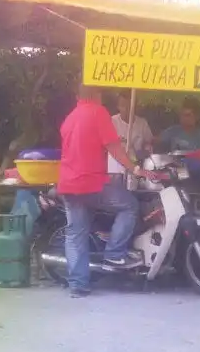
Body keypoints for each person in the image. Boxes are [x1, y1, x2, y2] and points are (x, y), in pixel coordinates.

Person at [58, 84, 155, 298]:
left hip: (67, 184)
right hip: (90, 183)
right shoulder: (98, 113)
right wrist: (136, 169)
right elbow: (114, 148)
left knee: (75, 234)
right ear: (96, 94)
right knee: (129, 205)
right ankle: (114, 253)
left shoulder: (70, 117)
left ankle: (78, 286)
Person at [108, 90, 154, 184]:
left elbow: (149, 142)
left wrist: (147, 147)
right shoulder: (112, 122)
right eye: (123, 105)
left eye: (130, 105)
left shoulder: (142, 123)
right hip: (117, 171)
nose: (127, 108)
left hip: (139, 166)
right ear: (118, 106)